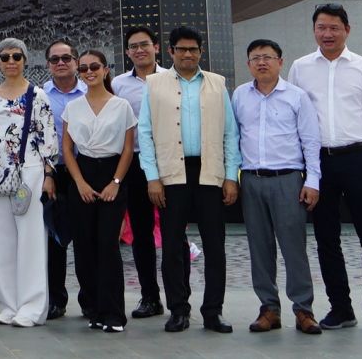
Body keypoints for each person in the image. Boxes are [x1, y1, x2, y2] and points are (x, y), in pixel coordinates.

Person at [288, 2, 362, 332]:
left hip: (358, 159)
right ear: (314, 30)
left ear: (347, 30)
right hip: (319, 163)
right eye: (322, 27)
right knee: (326, 238)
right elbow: (295, 117)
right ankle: (341, 308)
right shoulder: (300, 67)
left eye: (334, 27)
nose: (328, 33)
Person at [137, 25, 241, 334]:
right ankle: (178, 309)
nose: (187, 54)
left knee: (215, 245)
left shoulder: (216, 83)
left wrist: (231, 176)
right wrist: (152, 178)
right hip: (172, 174)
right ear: (169, 51)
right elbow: (145, 132)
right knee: (171, 246)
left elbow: (230, 133)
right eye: (181, 49)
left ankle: (213, 311)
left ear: (200, 51)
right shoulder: (154, 84)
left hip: (209, 171)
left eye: (193, 49)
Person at [233, 38, 322, 335]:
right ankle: (269, 308)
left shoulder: (297, 96)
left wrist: (312, 180)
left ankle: (303, 310)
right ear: (248, 64)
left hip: (288, 180)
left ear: (280, 62)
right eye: (255, 57)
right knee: (259, 248)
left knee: (293, 247)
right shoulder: (240, 96)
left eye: (268, 57)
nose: (262, 62)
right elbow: (233, 139)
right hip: (252, 180)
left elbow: (311, 141)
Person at [0, 37, 58, 327]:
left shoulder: (37, 95)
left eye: (16, 56)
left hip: (30, 172)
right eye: (5, 57)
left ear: (25, 60)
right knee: (2, 241)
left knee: (31, 240)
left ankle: (32, 307)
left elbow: (48, 137)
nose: (11, 62)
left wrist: (50, 175)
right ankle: (9, 304)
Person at [60, 48, 137, 332]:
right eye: (83, 68)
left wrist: (115, 183)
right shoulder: (73, 107)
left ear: (105, 70)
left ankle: (113, 313)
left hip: (112, 173)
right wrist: (79, 182)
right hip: (82, 174)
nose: (89, 72)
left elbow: (128, 149)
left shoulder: (122, 106)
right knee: (84, 246)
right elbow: (67, 149)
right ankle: (93, 308)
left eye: (94, 66)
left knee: (107, 245)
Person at [110, 26, 164, 318]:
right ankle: (149, 297)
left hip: (168, 165)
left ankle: (180, 298)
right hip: (134, 163)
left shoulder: (172, 79)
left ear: (157, 47)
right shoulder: (118, 85)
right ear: (128, 52)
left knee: (174, 232)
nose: (139, 50)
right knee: (142, 234)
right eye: (133, 46)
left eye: (145, 44)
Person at [38, 39, 87, 321]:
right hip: (52, 172)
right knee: (54, 240)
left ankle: (89, 298)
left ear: (76, 62)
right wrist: (47, 173)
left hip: (84, 170)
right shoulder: (39, 94)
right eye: (55, 59)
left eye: (66, 58)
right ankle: (56, 300)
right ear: (48, 64)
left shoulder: (91, 91)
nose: (60, 63)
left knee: (85, 237)